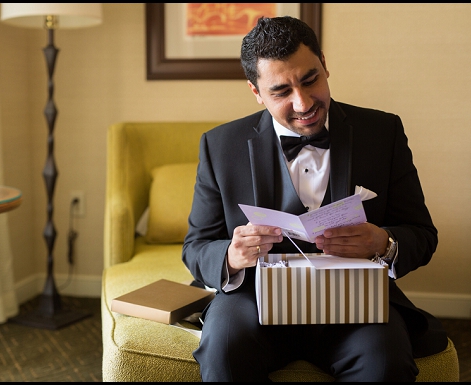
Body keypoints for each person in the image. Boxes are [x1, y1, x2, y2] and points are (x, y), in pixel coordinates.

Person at [182, 16, 448, 382]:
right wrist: (230, 255)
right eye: (281, 92)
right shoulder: (220, 145)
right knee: (223, 352)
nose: (303, 102)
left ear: (324, 64)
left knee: (385, 361)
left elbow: (422, 233)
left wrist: (383, 243)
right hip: (252, 302)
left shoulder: (383, 132)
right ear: (256, 92)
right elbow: (195, 247)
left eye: (310, 80)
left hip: (356, 303)